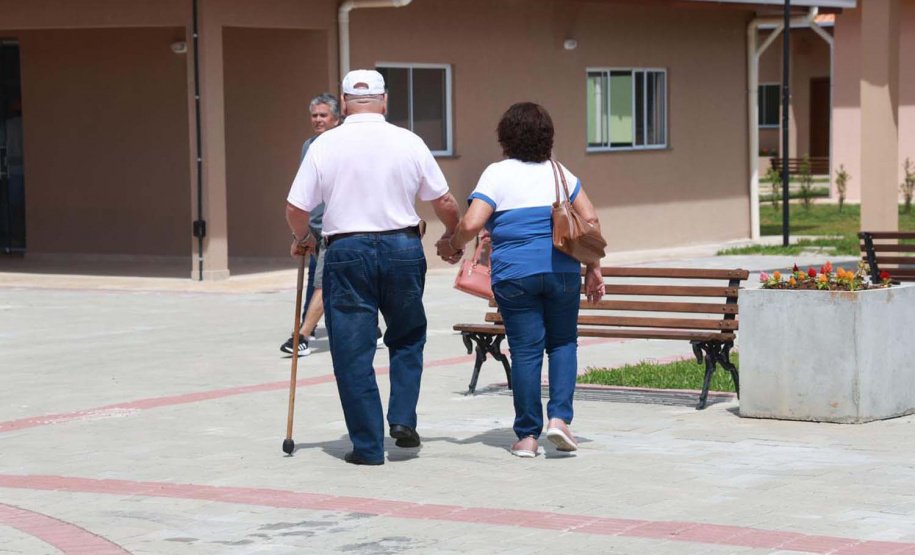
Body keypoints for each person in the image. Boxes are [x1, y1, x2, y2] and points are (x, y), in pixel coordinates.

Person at [286, 69, 461, 465]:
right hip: (402, 247)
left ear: (344, 104)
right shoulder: (409, 140)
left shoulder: (324, 145)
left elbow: (296, 208)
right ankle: (401, 418)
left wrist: (303, 238)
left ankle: (367, 447)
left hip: (347, 251)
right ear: (384, 101)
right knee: (408, 335)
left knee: (352, 350)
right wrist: (452, 236)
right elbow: (445, 201)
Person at [440, 102, 605, 458]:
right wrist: (593, 268)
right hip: (561, 272)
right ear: (547, 137)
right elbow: (590, 220)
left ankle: (527, 436)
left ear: (505, 138)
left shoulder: (497, 174)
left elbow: (472, 223)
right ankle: (559, 419)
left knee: (526, 351)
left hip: (515, 275)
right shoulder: (560, 173)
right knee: (563, 344)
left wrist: (452, 245)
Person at [280, 94, 341, 357]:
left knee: (324, 282)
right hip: (313, 226)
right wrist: (301, 231)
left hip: (335, 227)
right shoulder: (309, 145)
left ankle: (301, 336)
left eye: (323, 115)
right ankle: (371, 329)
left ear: (336, 118)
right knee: (318, 279)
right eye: (314, 115)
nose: (317, 120)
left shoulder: (343, 144)